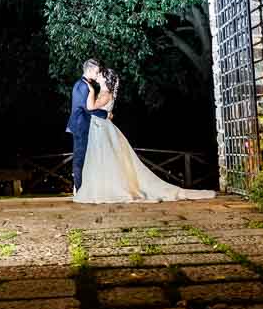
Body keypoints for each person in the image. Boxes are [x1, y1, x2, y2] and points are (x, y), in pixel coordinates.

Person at [73, 66, 217, 204]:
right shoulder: (105, 92)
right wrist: (106, 113)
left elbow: (90, 107)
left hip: (101, 129)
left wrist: (91, 91)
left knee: (105, 159)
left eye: (101, 74)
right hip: (100, 128)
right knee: (103, 160)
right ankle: (102, 187)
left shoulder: (104, 93)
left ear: (106, 79)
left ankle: (110, 189)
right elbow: (99, 110)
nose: (98, 75)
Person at [67, 58, 101, 194]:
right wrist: (105, 114)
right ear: (90, 70)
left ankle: (81, 187)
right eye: (97, 72)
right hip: (81, 125)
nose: (98, 75)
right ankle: (79, 188)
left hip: (82, 124)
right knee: (80, 156)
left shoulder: (83, 84)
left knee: (84, 156)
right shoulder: (82, 85)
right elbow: (87, 108)